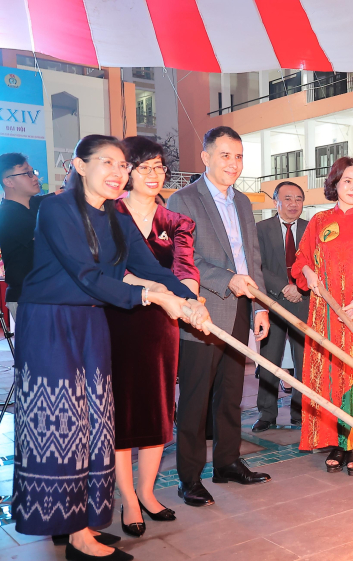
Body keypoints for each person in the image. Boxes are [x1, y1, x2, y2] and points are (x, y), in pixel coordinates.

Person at [12, 135, 209, 561]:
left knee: (94, 421)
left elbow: (151, 268)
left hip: (90, 322)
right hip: (50, 322)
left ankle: (75, 520)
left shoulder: (115, 216)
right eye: (107, 162)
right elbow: (85, 273)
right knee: (61, 422)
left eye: (123, 165)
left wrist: (192, 302)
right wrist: (151, 298)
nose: (118, 172)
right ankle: (76, 533)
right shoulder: (57, 209)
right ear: (80, 166)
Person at [168, 126, 272, 508]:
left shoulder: (244, 202)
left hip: (242, 306)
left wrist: (260, 305)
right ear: (206, 157)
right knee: (195, 400)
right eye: (225, 155)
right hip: (203, 309)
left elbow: (253, 260)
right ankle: (189, 478)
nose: (233, 163)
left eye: (239, 156)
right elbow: (185, 259)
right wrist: (228, 279)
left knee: (231, 394)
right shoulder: (183, 200)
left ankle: (227, 462)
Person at [106, 136, 201, 537]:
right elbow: (110, 272)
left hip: (163, 327)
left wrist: (193, 302)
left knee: (158, 409)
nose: (153, 174)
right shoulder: (108, 215)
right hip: (118, 319)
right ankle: (127, 497)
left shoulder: (177, 221)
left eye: (159, 166)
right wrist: (161, 293)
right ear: (127, 171)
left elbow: (185, 269)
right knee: (124, 413)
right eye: (143, 166)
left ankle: (147, 491)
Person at [293, 157, 353, 474]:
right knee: (331, 375)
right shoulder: (318, 221)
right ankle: (335, 441)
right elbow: (302, 258)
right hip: (325, 312)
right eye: (348, 181)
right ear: (335, 184)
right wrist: (308, 271)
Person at [252, 181, 309, 433]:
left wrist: (299, 286)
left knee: (303, 361)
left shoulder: (312, 229)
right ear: (276, 201)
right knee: (269, 360)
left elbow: (317, 264)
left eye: (298, 199)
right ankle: (267, 413)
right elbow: (256, 265)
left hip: (303, 301)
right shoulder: (260, 229)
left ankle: (301, 412)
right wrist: (284, 287)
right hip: (271, 302)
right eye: (287, 198)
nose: (293, 204)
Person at [0, 153, 41, 318]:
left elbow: (63, 195)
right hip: (27, 295)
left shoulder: (37, 204)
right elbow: (48, 238)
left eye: (33, 172)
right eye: (27, 173)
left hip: (49, 291)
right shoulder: (5, 214)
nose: (34, 177)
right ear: (8, 181)